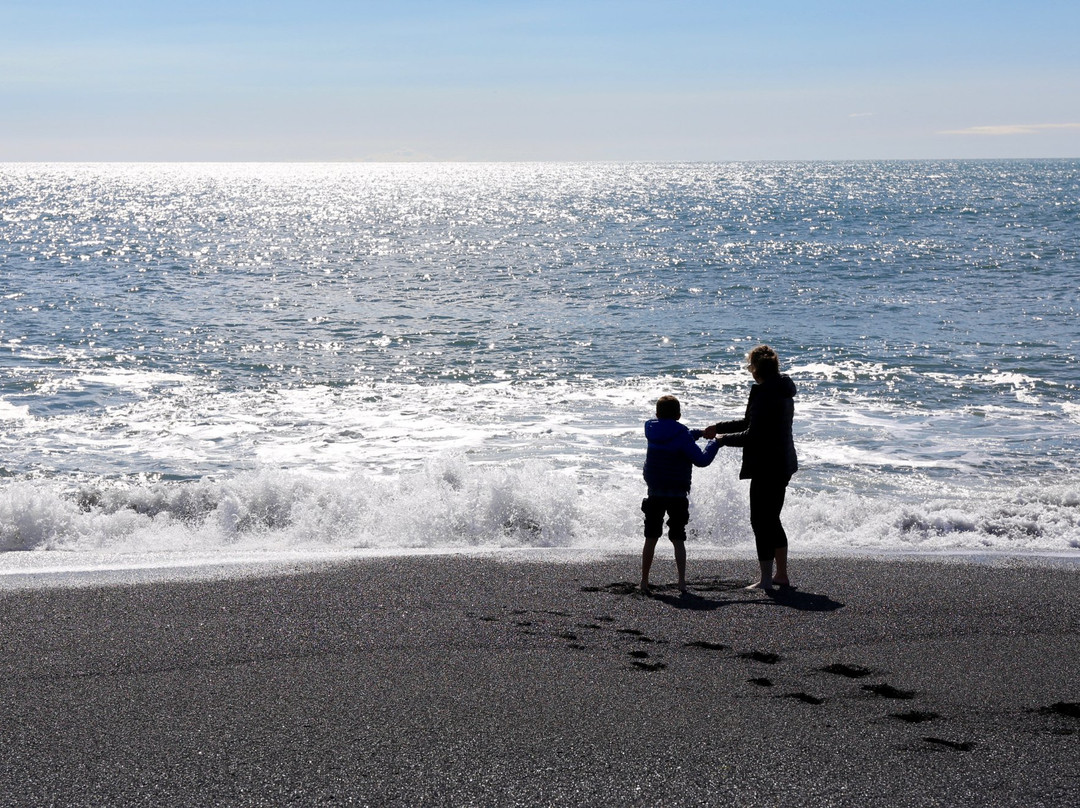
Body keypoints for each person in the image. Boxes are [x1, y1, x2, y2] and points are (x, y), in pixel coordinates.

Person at [705, 345, 797, 591]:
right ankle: (781, 575)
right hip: (783, 462)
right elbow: (749, 422)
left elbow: (752, 435)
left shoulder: (765, 393)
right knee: (772, 519)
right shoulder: (780, 388)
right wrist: (718, 426)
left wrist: (723, 441)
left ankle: (766, 579)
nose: (749, 370)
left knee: (760, 521)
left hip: (768, 465)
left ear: (756, 368)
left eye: (750, 366)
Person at [641, 395, 720, 595]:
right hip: (677, 494)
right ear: (679, 415)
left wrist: (700, 433)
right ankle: (682, 582)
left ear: (657, 414)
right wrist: (715, 444)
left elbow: (677, 437)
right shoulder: (682, 435)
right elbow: (701, 460)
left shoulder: (651, 429)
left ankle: (644, 581)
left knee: (651, 537)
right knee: (677, 537)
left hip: (655, 492)